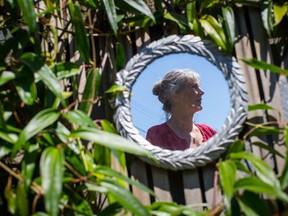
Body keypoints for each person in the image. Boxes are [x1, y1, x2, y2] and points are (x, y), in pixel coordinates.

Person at [146, 69, 217, 150]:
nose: (202, 92)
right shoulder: (157, 134)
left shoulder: (209, 132)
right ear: (174, 95)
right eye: (194, 87)